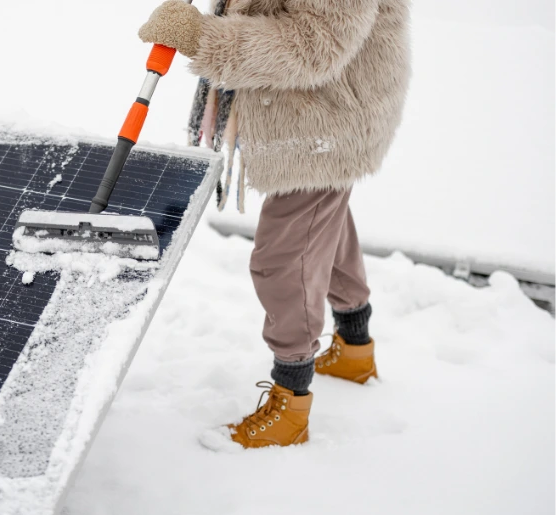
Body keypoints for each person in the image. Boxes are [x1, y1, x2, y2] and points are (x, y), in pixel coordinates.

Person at [138, 0, 411, 448]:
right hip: (321, 107)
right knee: (323, 227)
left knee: (285, 258)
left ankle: (291, 404)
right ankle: (355, 350)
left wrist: (203, 38)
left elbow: (314, 43)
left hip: (329, 117)